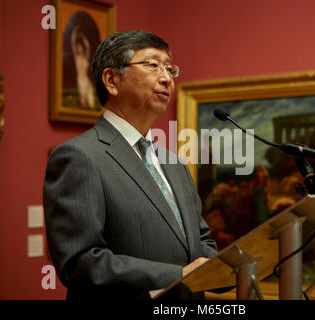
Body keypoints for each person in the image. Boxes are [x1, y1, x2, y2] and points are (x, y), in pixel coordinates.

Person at [43, 30, 217, 300]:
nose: (167, 78)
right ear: (112, 80)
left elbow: (201, 241)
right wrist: (176, 277)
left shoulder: (174, 162)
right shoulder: (78, 157)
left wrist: (227, 267)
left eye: (170, 68)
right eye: (152, 65)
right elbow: (80, 262)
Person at [71, 25, 96, 109]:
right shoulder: (76, 58)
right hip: (81, 81)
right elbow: (72, 42)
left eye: (80, 46)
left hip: (87, 81)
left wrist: (83, 37)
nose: (79, 48)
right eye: (78, 47)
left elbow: (88, 47)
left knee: (91, 101)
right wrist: (75, 31)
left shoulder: (85, 57)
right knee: (83, 101)